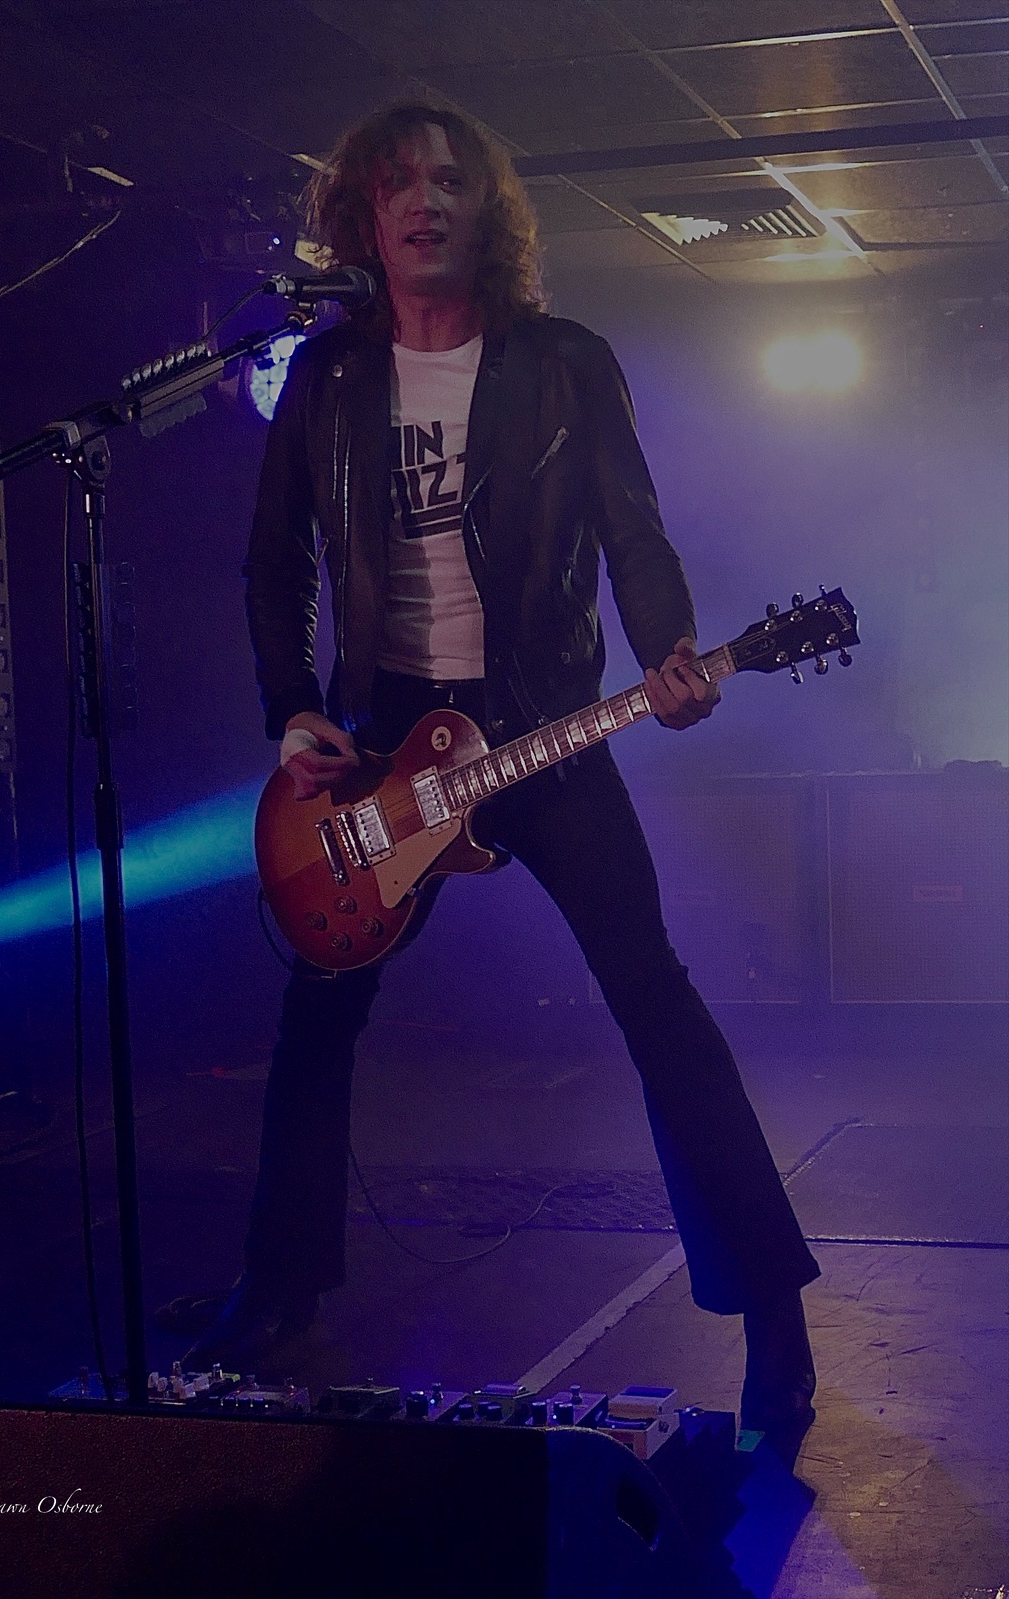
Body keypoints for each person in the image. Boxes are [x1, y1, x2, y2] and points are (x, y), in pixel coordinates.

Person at [184, 102, 819, 1436]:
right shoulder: (328, 376)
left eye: (450, 181)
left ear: (489, 212)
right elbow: (272, 562)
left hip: (538, 724)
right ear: (365, 215)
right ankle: (276, 1284)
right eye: (399, 183)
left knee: (657, 1002)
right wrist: (293, 711)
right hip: (379, 745)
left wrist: (670, 653)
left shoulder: (564, 362)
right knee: (317, 1015)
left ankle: (772, 1307)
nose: (425, 201)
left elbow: (634, 534)